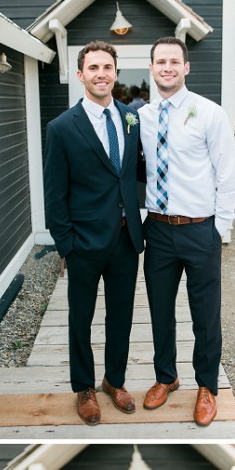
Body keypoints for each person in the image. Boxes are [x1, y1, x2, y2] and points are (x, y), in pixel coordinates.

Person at [43, 41, 144, 425]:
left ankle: (113, 380)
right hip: (83, 243)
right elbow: (55, 193)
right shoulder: (62, 128)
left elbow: (133, 175)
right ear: (81, 74)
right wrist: (66, 244)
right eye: (93, 67)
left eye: (107, 67)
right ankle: (84, 387)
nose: (101, 73)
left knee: (121, 316)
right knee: (80, 318)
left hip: (126, 239)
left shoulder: (130, 119)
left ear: (115, 73)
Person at [139, 37, 235, 427]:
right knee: (160, 312)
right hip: (159, 229)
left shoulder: (209, 113)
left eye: (174, 61)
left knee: (205, 315)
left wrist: (220, 230)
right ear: (151, 68)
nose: (167, 67)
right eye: (160, 61)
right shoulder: (141, 118)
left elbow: (227, 174)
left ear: (185, 68)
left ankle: (207, 386)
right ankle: (166, 377)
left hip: (200, 231)